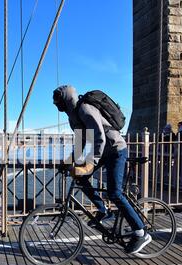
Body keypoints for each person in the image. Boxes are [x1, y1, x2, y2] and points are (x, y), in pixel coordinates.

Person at [53, 85, 152, 255]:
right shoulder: (73, 117)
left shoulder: (85, 109)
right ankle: (103, 211)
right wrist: (69, 162)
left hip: (116, 150)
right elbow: (80, 143)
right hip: (103, 152)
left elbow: (99, 136)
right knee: (80, 177)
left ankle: (140, 232)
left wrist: (91, 163)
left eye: (58, 101)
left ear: (66, 99)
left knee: (114, 193)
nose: (57, 106)